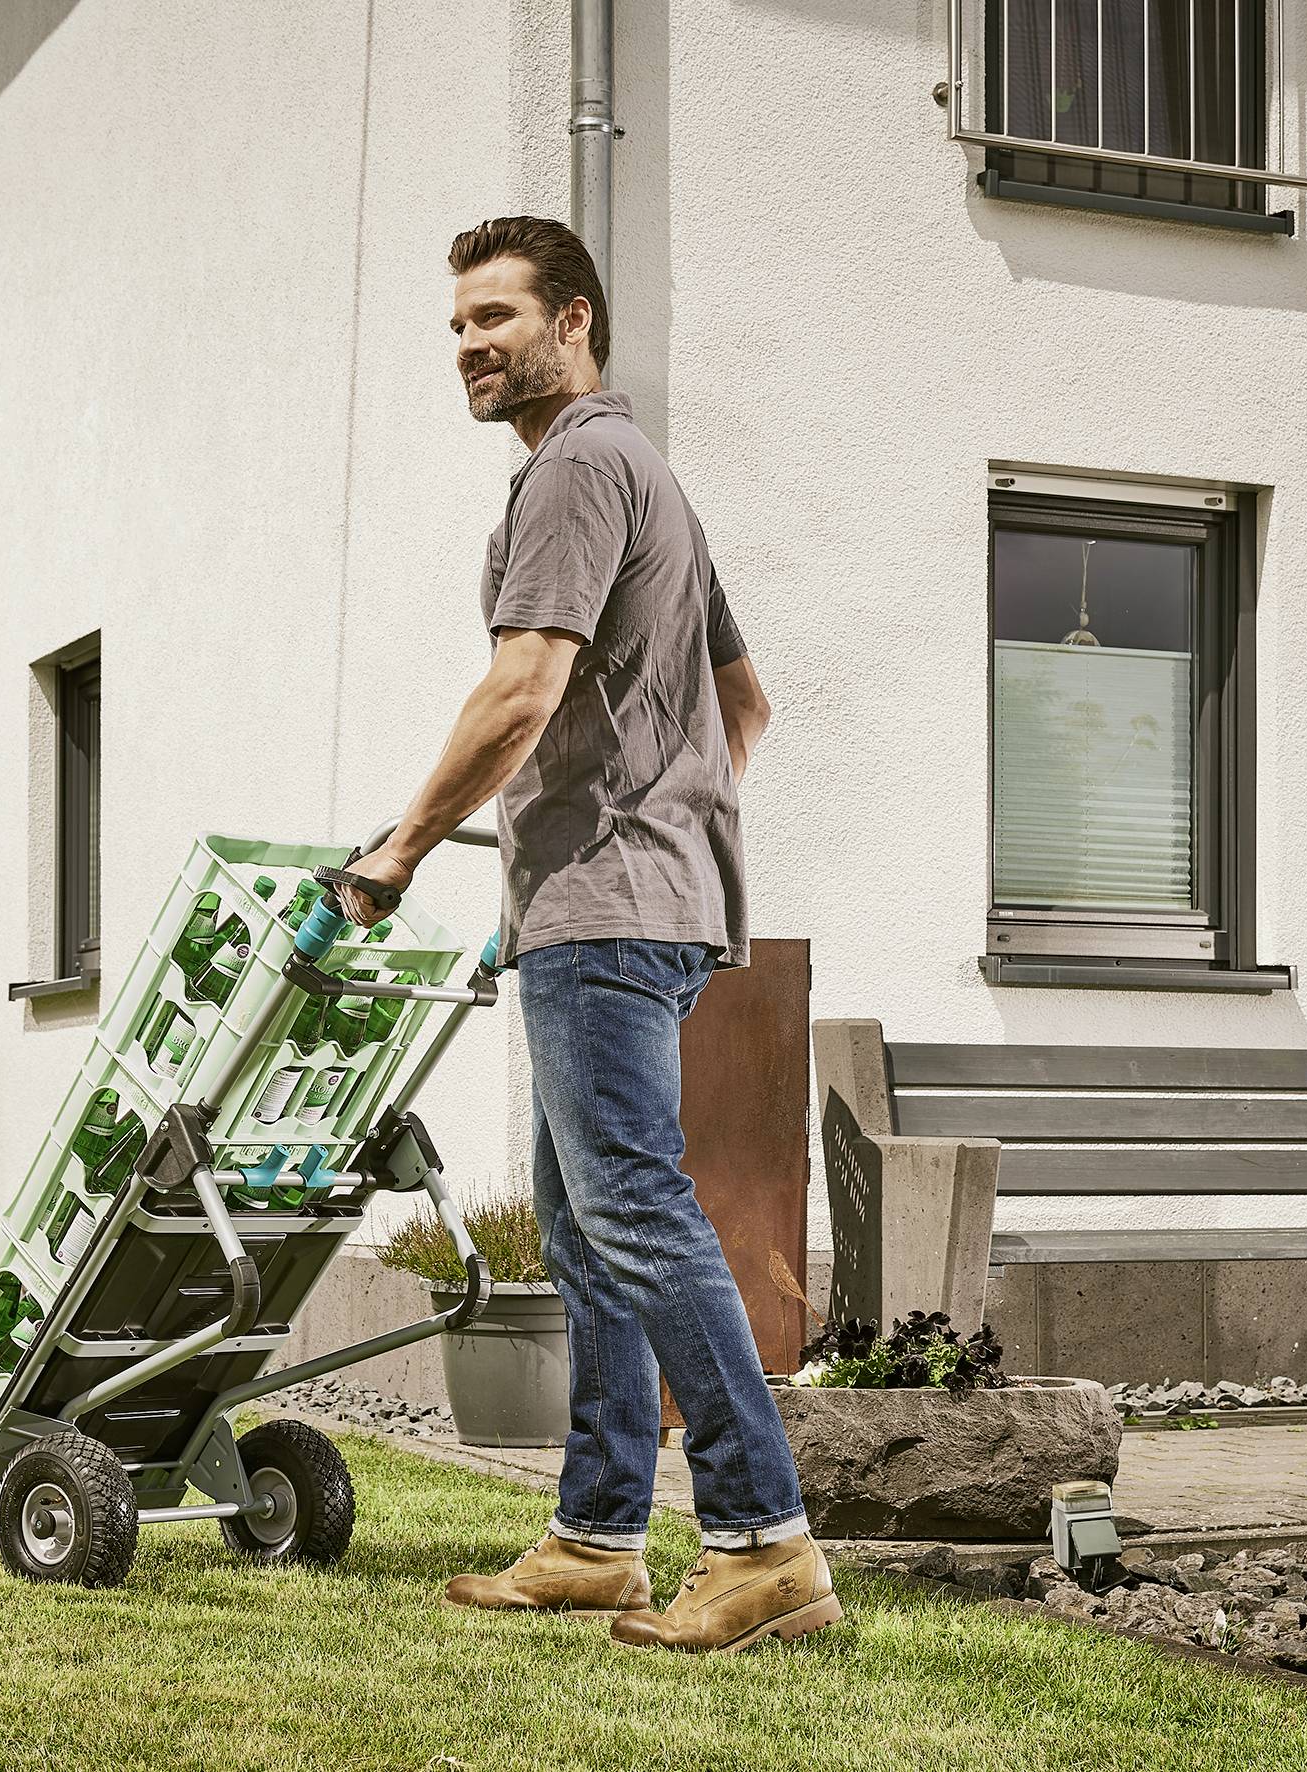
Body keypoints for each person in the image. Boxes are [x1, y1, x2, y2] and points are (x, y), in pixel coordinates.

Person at [333, 215, 836, 1655]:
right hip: (633, 900)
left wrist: (398, 852)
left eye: (496, 317)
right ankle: (599, 1536)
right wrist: (656, 831)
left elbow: (522, 687)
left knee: (628, 1212)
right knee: (586, 1226)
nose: (471, 346)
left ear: (575, 323)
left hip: (607, 909)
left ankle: (760, 1543)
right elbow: (741, 708)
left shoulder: (572, 472)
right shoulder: (650, 479)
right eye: (456, 328)